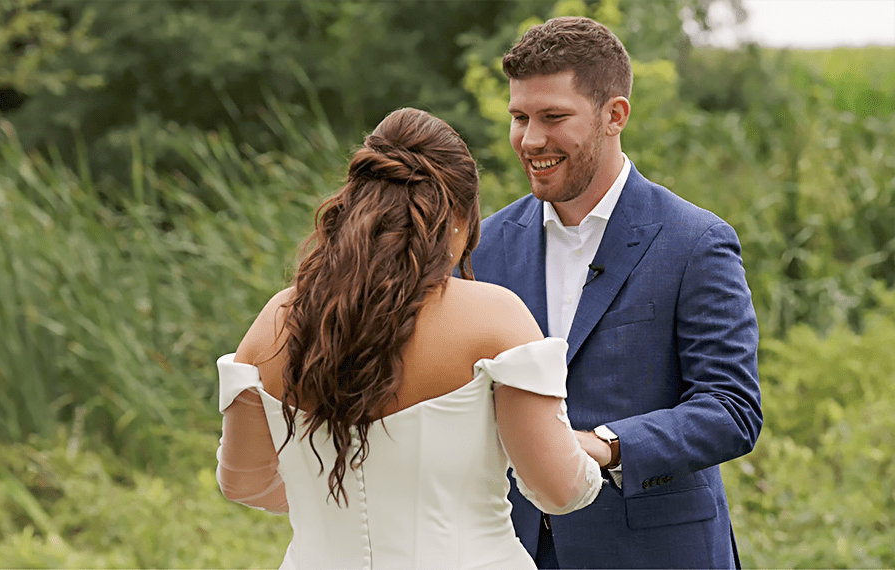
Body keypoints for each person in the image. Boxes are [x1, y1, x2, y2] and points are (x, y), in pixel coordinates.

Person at [215, 107, 603, 569]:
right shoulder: (494, 316)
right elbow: (558, 489)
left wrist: (328, 502)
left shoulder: (276, 320)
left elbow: (242, 481)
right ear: (459, 216)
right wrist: (598, 450)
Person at [469, 17, 763, 570]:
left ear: (614, 115)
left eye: (554, 117)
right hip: (515, 551)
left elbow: (731, 408)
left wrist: (606, 445)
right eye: (520, 117)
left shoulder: (696, 242)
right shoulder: (483, 249)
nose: (531, 140)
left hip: (656, 552)